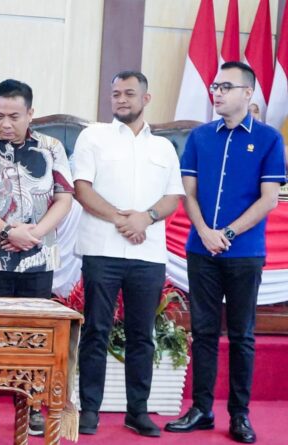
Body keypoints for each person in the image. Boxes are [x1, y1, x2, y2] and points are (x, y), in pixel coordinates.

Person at [165, 61, 285, 444]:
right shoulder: (200, 137)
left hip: (244, 252)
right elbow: (188, 192)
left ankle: (239, 415)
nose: (216, 92)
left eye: (226, 87)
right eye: (215, 86)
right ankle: (201, 409)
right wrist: (204, 231)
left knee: (242, 335)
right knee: (202, 332)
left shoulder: (268, 139)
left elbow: (269, 200)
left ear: (248, 93)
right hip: (201, 249)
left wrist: (228, 233)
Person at [0, 79, 73, 436]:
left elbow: (64, 197)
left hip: (38, 257)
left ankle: (31, 404)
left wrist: (33, 234)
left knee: (34, 335)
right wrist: (8, 231)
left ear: (30, 113)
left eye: (14, 116)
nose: (5, 123)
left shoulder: (52, 148)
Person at [72, 71, 184, 437]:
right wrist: (121, 219)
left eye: (129, 93)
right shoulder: (93, 136)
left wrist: (145, 218)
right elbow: (81, 189)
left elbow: (173, 197)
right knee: (96, 330)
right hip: (101, 249)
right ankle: (90, 409)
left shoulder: (164, 147)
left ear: (146, 99)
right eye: (116, 93)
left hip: (147, 254)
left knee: (142, 335)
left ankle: (138, 411)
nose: (121, 99)